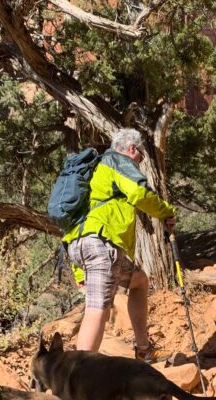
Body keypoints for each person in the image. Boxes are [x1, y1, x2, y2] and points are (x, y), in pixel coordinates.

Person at [63, 128, 176, 359]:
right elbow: (138, 194)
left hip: (82, 243)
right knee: (97, 310)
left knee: (139, 281)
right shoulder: (117, 160)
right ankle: (79, 379)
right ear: (132, 149)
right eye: (141, 157)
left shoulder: (94, 171)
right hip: (101, 244)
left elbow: (78, 219)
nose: (140, 162)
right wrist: (165, 213)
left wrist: (78, 269)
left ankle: (144, 350)